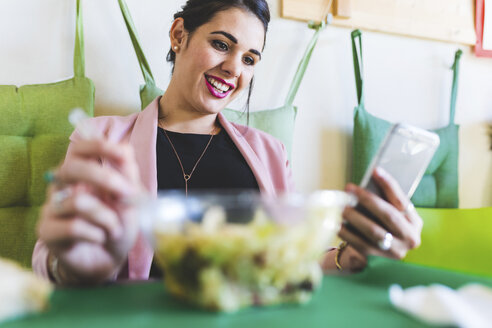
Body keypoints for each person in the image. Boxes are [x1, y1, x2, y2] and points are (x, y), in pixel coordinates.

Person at [33, 0, 422, 285]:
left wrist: (349, 256)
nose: (234, 68)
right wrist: (69, 264)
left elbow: (293, 262)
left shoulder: (271, 153)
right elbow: (52, 255)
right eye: (222, 44)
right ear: (179, 34)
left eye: (250, 59)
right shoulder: (100, 138)